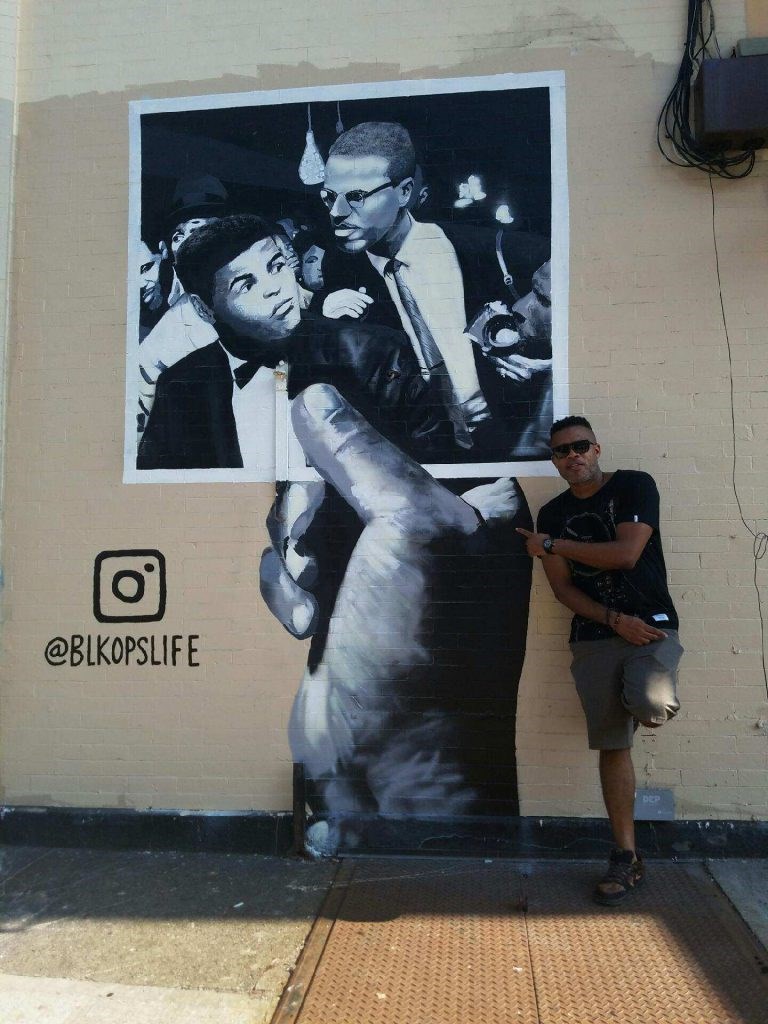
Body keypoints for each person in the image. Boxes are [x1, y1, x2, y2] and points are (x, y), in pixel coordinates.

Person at [137, 214, 457, 471]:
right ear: (203, 308)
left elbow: (438, 472)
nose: (275, 288)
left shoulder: (378, 355)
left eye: (276, 267)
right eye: (246, 284)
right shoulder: (181, 386)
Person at [517, 416, 683, 905]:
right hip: (594, 634)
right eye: (561, 452)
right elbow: (563, 588)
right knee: (612, 746)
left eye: (580, 446)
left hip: (651, 626)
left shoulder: (634, 485)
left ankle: (643, 694)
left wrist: (551, 545)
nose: (573, 456)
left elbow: (627, 554)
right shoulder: (552, 512)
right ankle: (626, 856)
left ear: (597, 448)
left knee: (653, 705)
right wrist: (613, 620)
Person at [316, 121, 550, 460]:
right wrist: (323, 311)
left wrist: (553, 366)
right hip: (426, 451)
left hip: (510, 436)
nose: (336, 213)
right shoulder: (340, 269)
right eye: (328, 197)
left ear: (405, 192)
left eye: (356, 197)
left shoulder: (480, 248)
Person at [137, 175, 228, 434]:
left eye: (199, 229)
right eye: (179, 235)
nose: (189, 241)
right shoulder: (164, 336)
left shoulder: (267, 292)